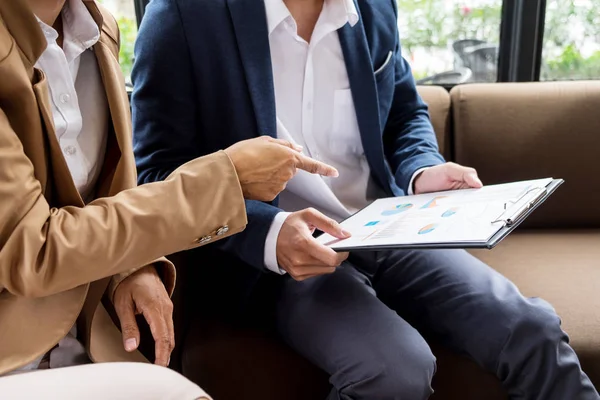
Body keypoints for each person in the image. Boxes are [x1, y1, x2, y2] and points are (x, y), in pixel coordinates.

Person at [131, 0, 600, 398]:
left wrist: (420, 170)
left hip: (388, 225)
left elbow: (402, 111)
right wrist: (269, 234)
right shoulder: (182, 15)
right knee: (395, 368)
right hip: (276, 261)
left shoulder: (373, 6)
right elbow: (157, 172)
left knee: (531, 328)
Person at [0, 0, 336, 398]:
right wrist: (225, 179)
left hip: (87, 343)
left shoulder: (97, 28)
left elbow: (107, 199)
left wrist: (132, 268)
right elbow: (33, 249)